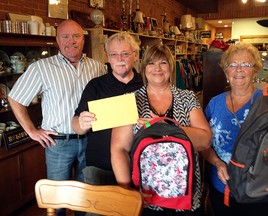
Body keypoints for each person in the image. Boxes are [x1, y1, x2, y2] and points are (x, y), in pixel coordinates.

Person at [8, 19, 105, 216]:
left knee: (85, 198)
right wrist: (31, 131)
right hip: (58, 143)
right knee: (57, 200)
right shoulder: (41, 68)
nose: (71, 41)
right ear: (57, 40)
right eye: (65, 36)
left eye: (76, 36)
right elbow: (15, 98)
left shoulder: (98, 68)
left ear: (83, 40)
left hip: (91, 141)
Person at [110, 44, 212, 216]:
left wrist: (162, 126)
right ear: (143, 68)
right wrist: (127, 190)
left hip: (185, 196)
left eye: (163, 63)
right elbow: (118, 149)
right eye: (151, 63)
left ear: (171, 67)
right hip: (146, 196)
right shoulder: (129, 101)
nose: (157, 68)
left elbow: (205, 140)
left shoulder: (187, 97)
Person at [202, 42, 268, 216]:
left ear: (255, 70)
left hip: (263, 192)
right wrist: (217, 163)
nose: (238, 69)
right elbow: (204, 143)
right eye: (232, 65)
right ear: (226, 72)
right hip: (223, 192)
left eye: (246, 65)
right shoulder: (214, 104)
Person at [71, 32, 143, 187]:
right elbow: (76, 124)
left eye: (125, 54)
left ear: (135, 55)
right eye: (114, 54)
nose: (119, 59)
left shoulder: (146, 85)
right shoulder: (95, 85)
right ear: (108, 58)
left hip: (141, 166)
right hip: (100, 168)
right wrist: (81, 123)